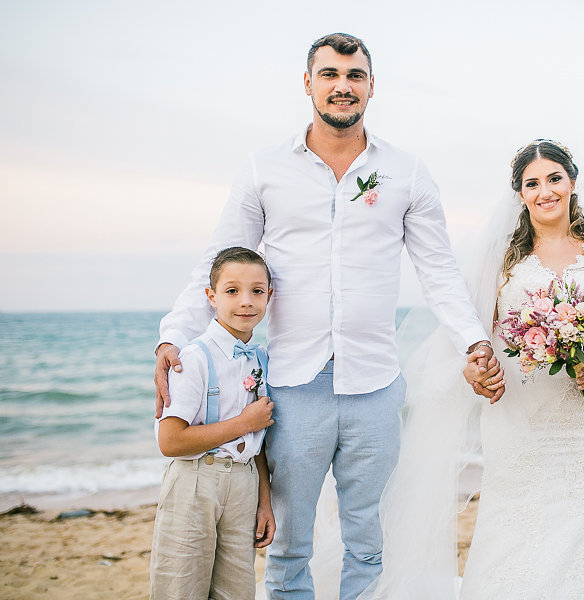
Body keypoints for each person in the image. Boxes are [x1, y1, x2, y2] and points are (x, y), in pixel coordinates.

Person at [153, 33, 502, 600]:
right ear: (309, 83)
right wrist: (173, 335)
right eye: (331, 74)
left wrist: (472, 342)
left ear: (371, 86)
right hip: (293, 385)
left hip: (375, 385)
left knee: (368, 541)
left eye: (355, 75)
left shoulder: (406, 172)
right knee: (290, 545)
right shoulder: (264, 168)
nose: (343, 86)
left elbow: (439, 272)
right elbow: (217, 261)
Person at [360, 140, 584, 599]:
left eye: (554, 179)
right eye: (532, 183)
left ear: (572, 183)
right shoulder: (501, 262)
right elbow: (470, 343)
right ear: (519, 194)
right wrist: (475, 372)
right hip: (519, 417)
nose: (545, 191)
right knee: (518, 528)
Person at [151, 246, 276, 600]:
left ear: (270, 295)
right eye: (232, 291)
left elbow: (260, 440)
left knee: (237, 591)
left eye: (257, 291)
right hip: (196, 482)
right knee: (182, 587)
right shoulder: (193, 358)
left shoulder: (263, 359)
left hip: (244, 483)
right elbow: (170, 442)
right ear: (211, 297)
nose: (246, 302)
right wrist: (242, 422)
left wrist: (264, 501)